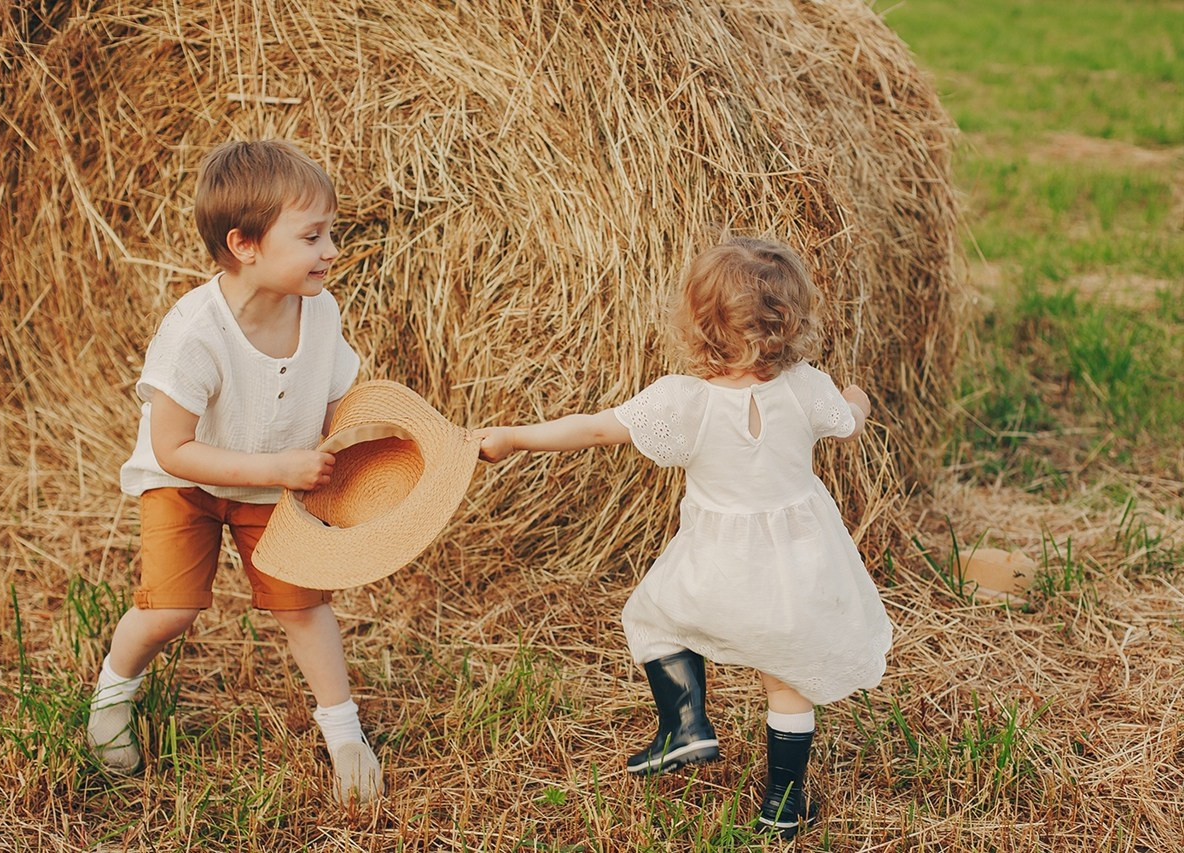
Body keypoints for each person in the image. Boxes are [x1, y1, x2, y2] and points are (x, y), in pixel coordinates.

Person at [474, 236, 892, 839]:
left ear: (699, 323)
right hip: (800, 566)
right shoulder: (807, 385)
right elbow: (850, 422)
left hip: (717, 565)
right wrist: (857, 397)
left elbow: (594, 430)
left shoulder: (683, 400)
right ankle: (783, 803)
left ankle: (686, 727)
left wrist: (513, 437)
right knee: (788, 677)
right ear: (794, 322)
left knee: (653, 618)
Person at [86, 139, 382, 804]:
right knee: (172, 608)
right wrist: (278, 464)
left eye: (330, 232)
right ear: (245, 243)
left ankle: (345, 735)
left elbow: (338, 402)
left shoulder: (322, 311)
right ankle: (111, 696)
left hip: (276, 484)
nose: (330, 249)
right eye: (312, 235)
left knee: (304, 606)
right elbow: (173, 448)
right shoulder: (196, 332)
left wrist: (369, 441)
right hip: (184, 481)